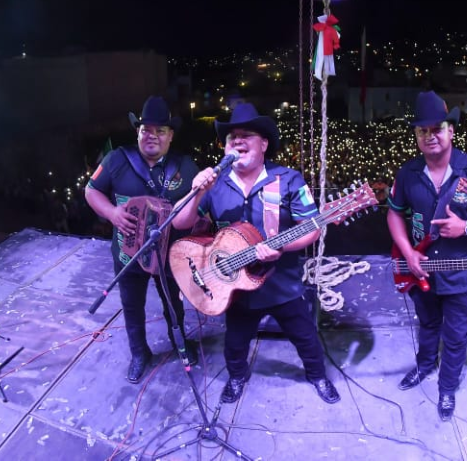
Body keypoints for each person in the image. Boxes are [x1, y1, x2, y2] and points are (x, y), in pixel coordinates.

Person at [171, 102, 341, 405]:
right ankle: (237, 376)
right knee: (235, 344)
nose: (237, 140)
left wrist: (280, 247)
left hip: (281, 284)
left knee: (305, 337)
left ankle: (317, 376)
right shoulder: (216, 183)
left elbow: (311, 229)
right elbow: (180, 223)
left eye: (246, 135)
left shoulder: (288, 179)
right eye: (231, 137)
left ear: (263, 144)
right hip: (236, 289)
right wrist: (197, 192)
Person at [387, 91, 467, 421]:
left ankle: (447, 387)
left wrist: (466, 227)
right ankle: (425, 365)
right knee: (427, 325)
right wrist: (408, 252)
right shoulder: (407, 173)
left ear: (451, 130)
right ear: (416, 136)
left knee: (455, 335)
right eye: (422, 130)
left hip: (460, 273)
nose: (430, 136)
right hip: (421, 269)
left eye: (436, 128)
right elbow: (394, 213)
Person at [85, 96, 200, 383]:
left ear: (170, 136)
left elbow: (199, 209)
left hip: (169, 255)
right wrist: (112, 213)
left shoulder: (185, 166)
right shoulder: (117, 160)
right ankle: (139, 353)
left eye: (160, 130)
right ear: (137, 132)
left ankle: (180, 344)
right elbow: (91, 190)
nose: (152, 135)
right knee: (132, 306)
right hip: (128, 256)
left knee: (173, 304)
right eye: (146, 129)